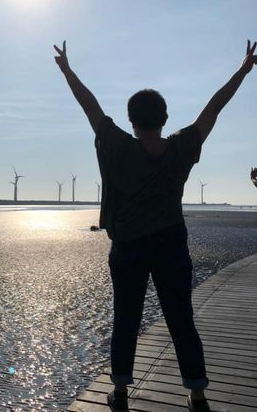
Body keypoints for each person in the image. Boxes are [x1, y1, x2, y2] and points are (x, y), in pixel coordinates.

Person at [54, 39, 257, 412]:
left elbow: (90, 106)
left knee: (126, 318)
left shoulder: (118, 146)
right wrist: (243, 71)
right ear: (164, 118)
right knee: (181, 318)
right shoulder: (181, 147)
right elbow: (214, 107)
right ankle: (197, 394)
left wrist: (68, 70)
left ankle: (119, 392)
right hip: (170, 244)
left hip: (128, 246)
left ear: (132, 121)